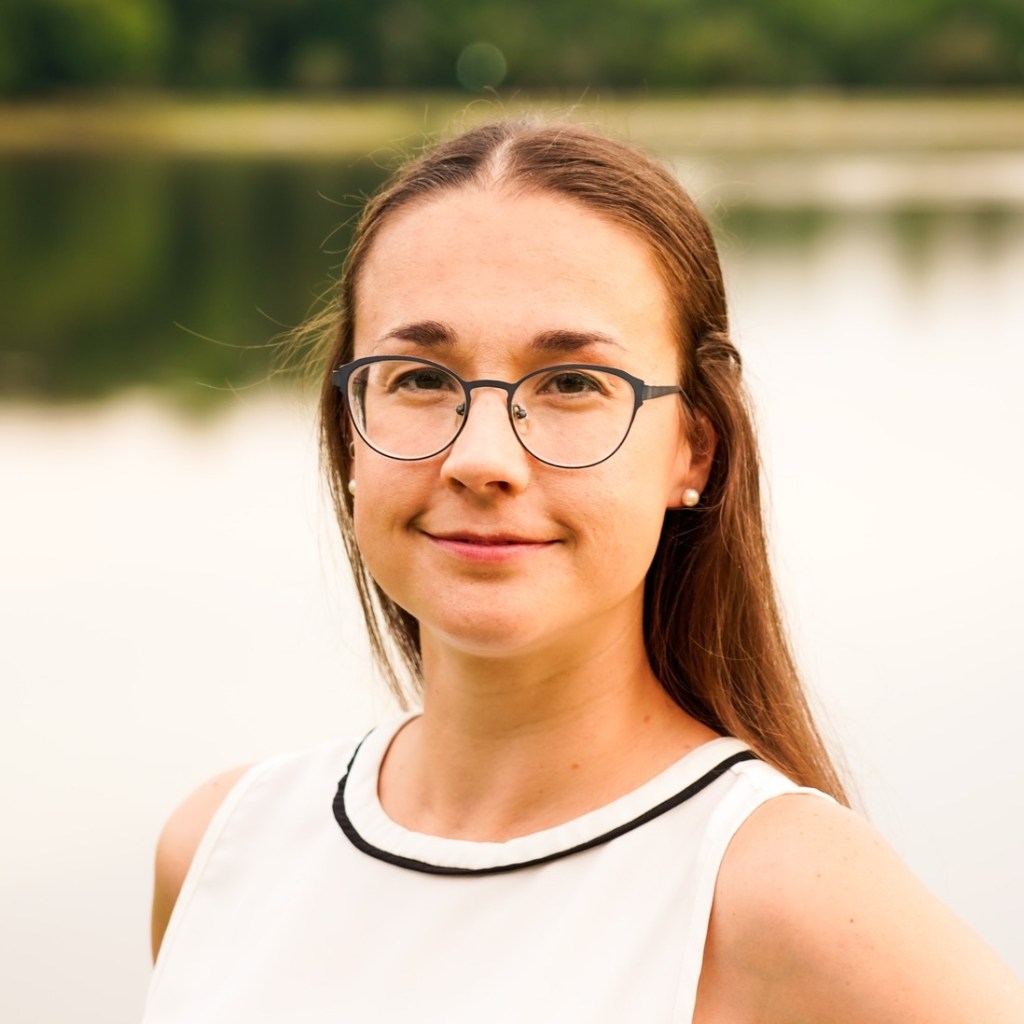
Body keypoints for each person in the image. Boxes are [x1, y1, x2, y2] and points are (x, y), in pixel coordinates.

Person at [142, 119, 1024, 1023]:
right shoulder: (222, 846)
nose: (482, 457)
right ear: (348, 430)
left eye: (570, 383)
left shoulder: (781, 895)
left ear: (694, 451)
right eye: (418, 377)